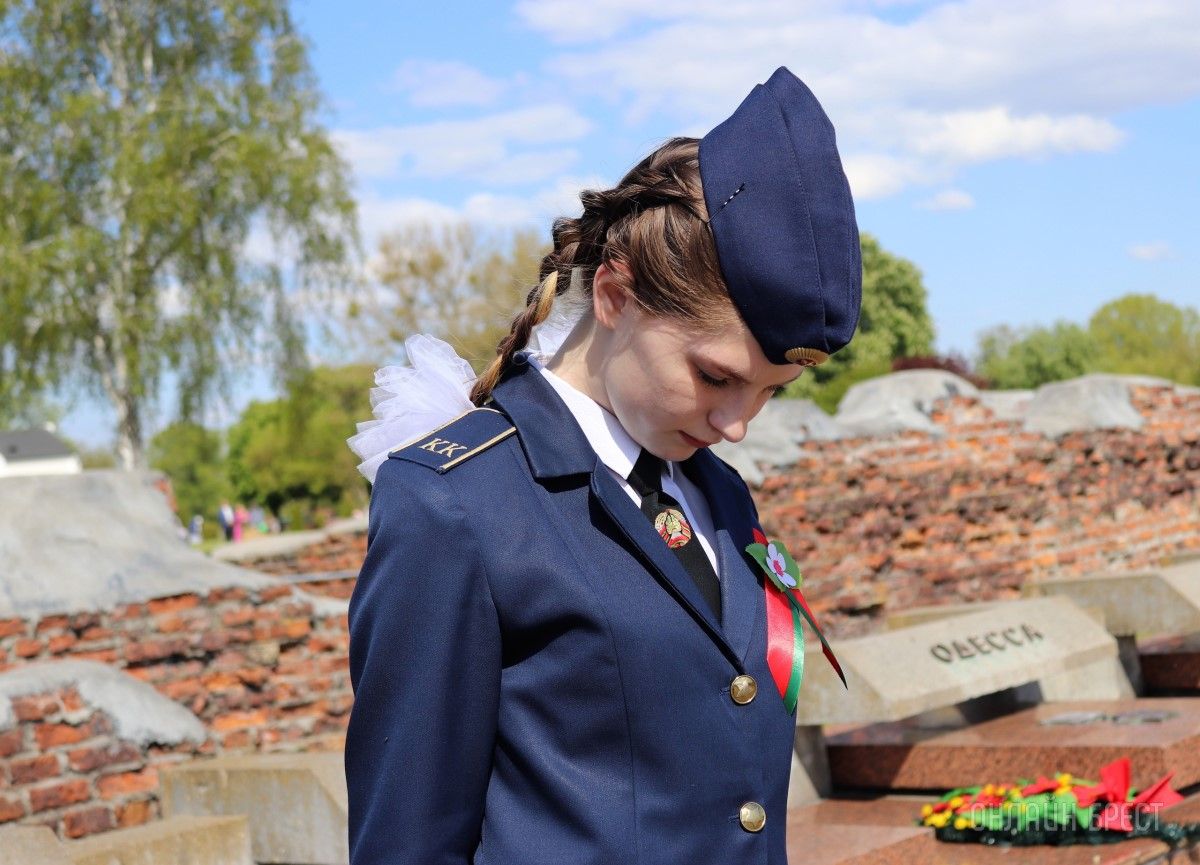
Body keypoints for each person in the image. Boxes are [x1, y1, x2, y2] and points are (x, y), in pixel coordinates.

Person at [345, 66, 861, 865]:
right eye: (715, 376)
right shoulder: (458, 503)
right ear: (616, 296)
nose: (736, 425)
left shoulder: (717, 492)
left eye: (770, 391)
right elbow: (407, 840)